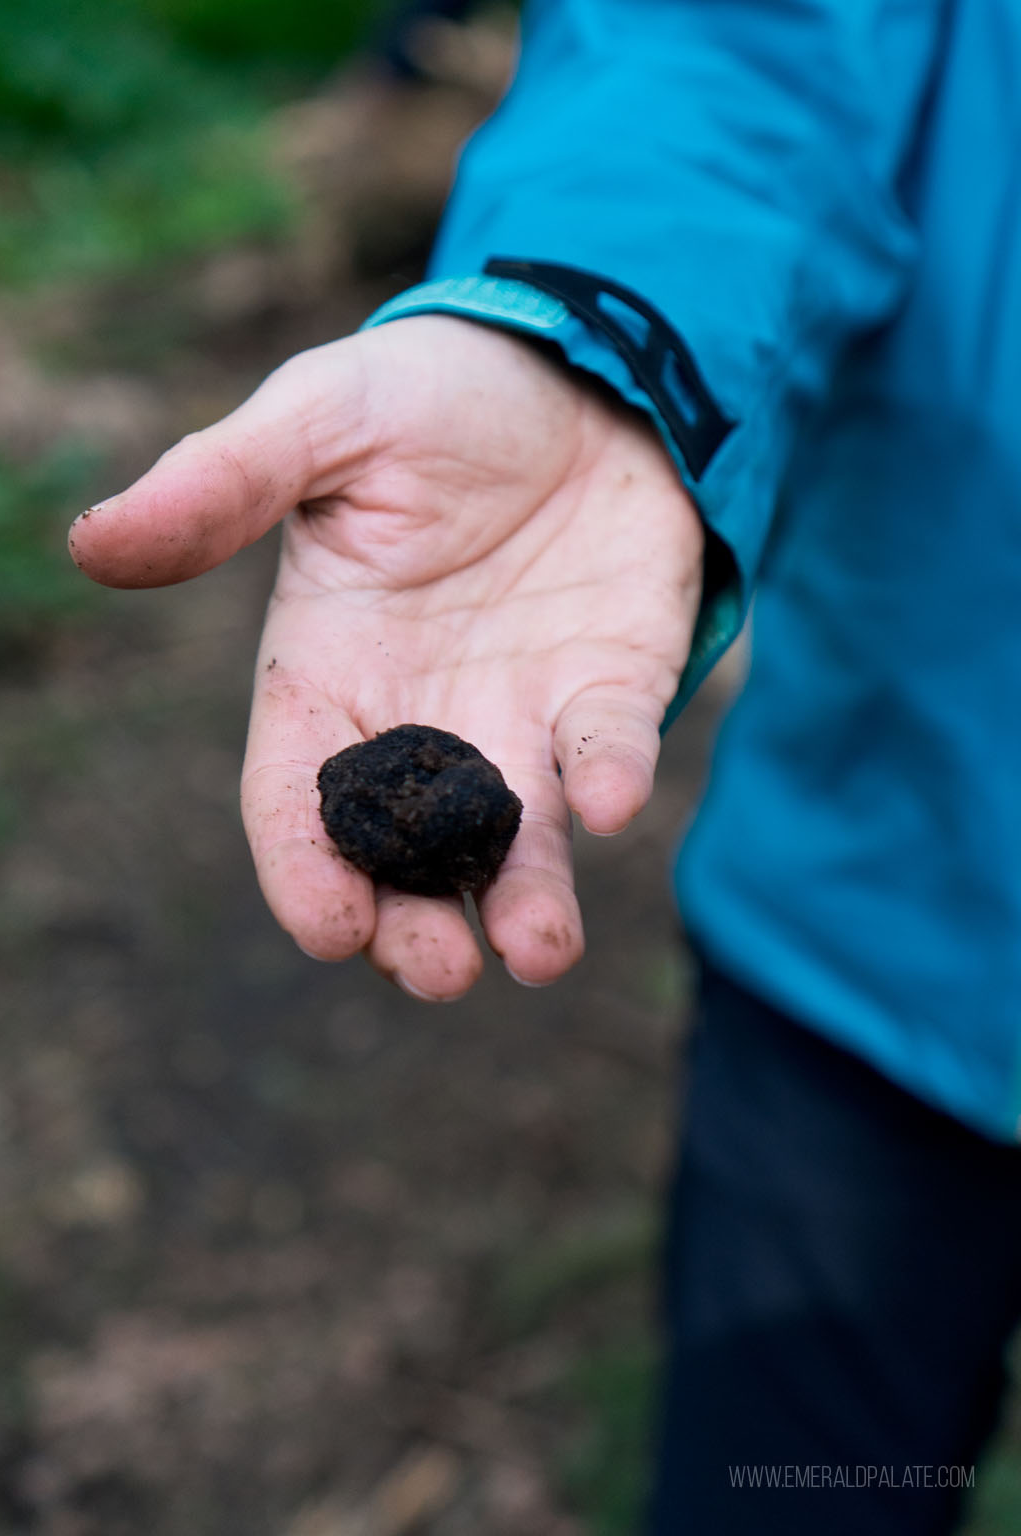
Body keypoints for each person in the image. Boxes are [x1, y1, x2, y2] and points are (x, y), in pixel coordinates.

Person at [68, 1, 1021, 1531]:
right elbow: (735, 53)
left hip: (867, 907)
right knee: (800, 1493)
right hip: (876, 934)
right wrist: (584, 327)